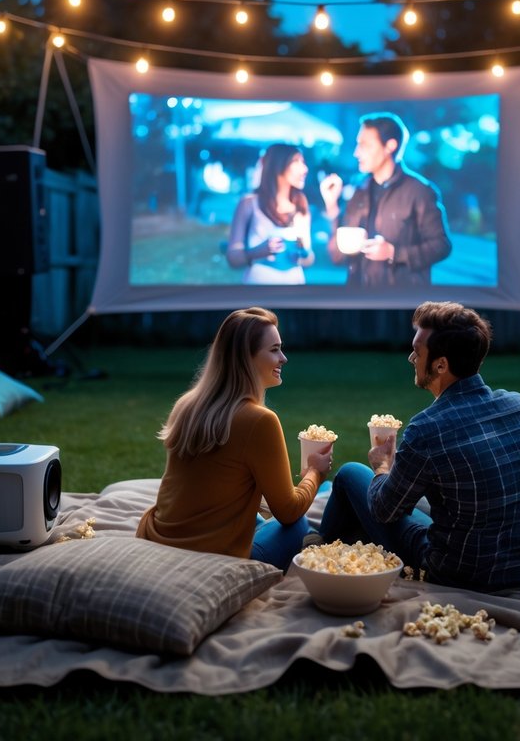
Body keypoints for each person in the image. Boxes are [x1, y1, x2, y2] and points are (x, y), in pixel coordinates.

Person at [317, 301, 520, 592]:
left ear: (441, 364)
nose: (410, 358)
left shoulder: (427, 429)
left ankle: (317, 551)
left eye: (417, 351)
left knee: (350, 474)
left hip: (460, 574)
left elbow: (383, 511)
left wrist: (381, 466)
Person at [136, 307, 332, 569]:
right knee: (300, 524)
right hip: (213, 559)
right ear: (246, 359)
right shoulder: (260, 421)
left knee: (271, 511)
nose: (283, 358)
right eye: (274, 349)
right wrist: (314, 472)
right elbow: (288, 512)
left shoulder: (186, 405)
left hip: (158, 539)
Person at [318, 112, 452, 287]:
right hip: (358, 297)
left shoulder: (420, 191)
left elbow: (441, 245)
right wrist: (332, 207)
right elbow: (338, 256)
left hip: (402, 301)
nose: (356, 152)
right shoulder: (359, 189)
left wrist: (394, 252)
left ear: (390, 146)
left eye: (364, 145)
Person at [226, 144, 315, 285]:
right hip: (258, 289)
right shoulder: (249, 203)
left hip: (294, 288)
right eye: (296, 161)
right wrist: (258, 252)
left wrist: (301, 252)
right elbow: (233, 257)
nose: (304, 169)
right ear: (278, 164)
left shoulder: (301, 204)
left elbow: (309, 258)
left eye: (303, 162)